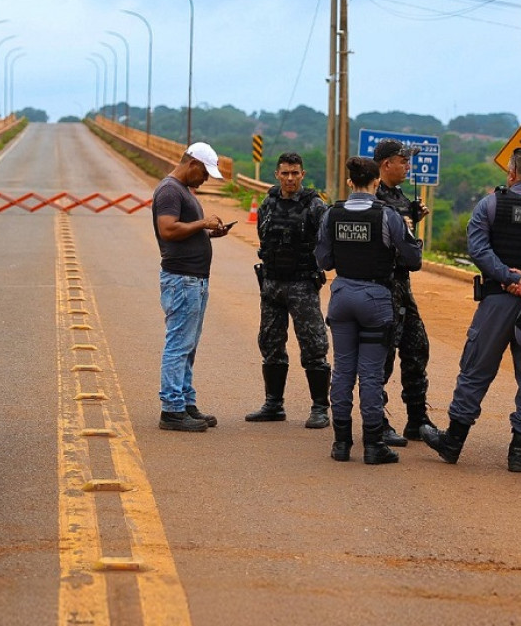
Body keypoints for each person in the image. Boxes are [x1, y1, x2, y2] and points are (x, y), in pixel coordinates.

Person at [420, 147, 521, 472]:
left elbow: (478, 248)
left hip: (497, 301)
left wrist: (511, 278)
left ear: (511, 174)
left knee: (476, 370)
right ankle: (519, 452)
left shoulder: (491, 204)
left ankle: (452, 443)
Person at [314, 156, 424, 465]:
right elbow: (412, 260)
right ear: (376, 182)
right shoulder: (388, 216)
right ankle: (374, 445)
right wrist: (412, 235)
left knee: (343, 371)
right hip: (376, 298)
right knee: (371, 374)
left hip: (342, 296)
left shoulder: (331, 214)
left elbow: (323, 261)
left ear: (350, 182)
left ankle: (341, 443)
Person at [245, 152, 333, 429]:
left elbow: (326, 242)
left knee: (313, 345)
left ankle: (320, 408)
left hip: (302, 285)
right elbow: (262, 236)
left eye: (295, 173)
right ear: (277, 175)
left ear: (303, 175)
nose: (290, 178)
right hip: (272, 285)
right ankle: (273, 404)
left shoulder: (315, 206)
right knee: (270, 342)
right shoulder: (268, 204)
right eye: (285, 173)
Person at [152, 142, 233, 432]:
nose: (205, 179)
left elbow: (183, 233)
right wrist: (201, 224)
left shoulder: (184, 191)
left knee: (189, 345)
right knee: (178, 345)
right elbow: (168, 229)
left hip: (194, 279)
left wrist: (208, 233)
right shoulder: (170, 190)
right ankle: (171, 409)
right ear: (192, 164)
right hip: (182, 279)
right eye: (205, 173)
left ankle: (185, 401)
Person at [372, 139, 436, 446]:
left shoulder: (399, 197)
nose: (407, 166)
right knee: (381, 356)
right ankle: (377, 420)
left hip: (402, 287)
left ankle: (417, 418)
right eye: (403, 161)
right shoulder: (372, 198)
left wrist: (413, 219)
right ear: (386, 165)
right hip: (380, 288)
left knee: (416, 348)